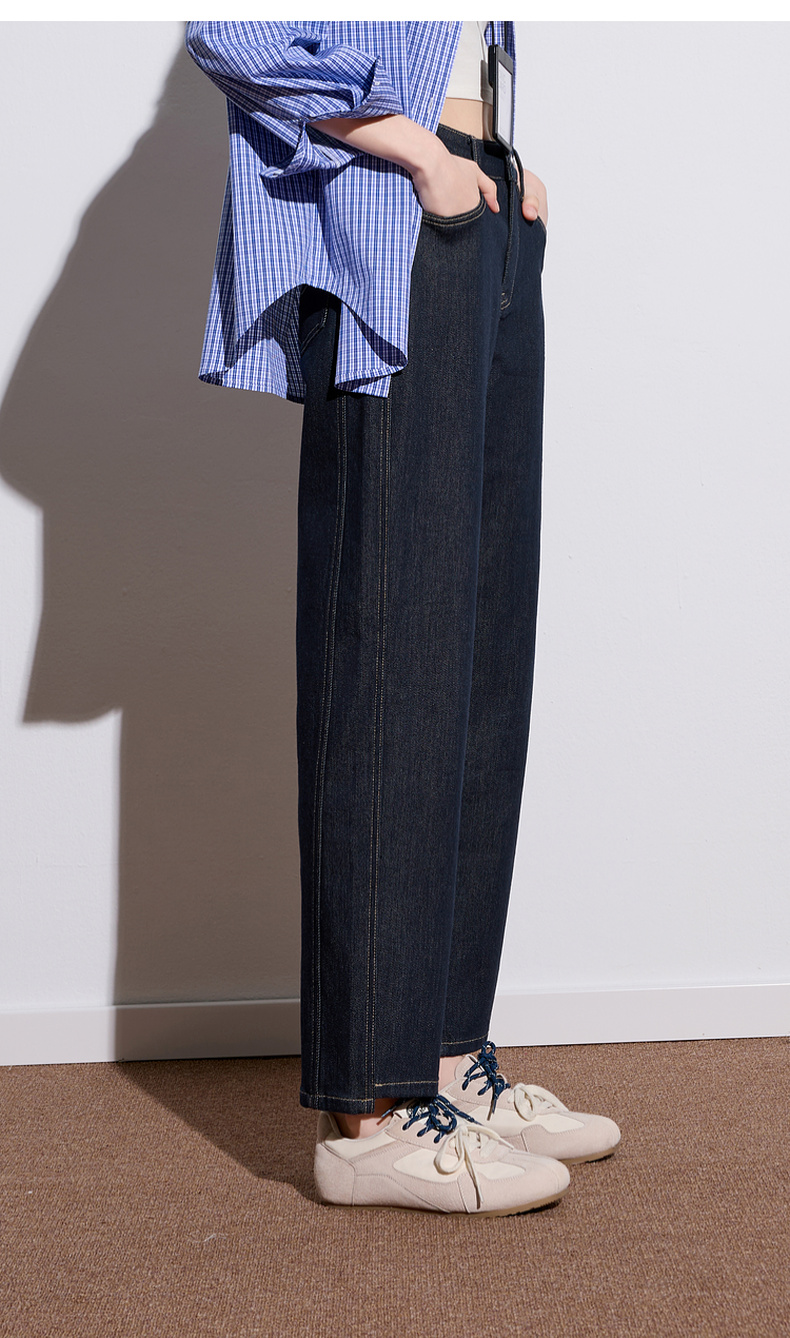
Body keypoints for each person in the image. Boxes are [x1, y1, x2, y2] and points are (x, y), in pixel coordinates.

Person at [185, 20, 620, 1216]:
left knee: (476, 648)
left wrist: (495, 165)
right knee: (391, 647)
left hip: (479, 203)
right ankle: (367, 1115)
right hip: (400, 204)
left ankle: (441, 1058)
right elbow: (234, 30)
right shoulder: (409, 172)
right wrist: (420, 156)